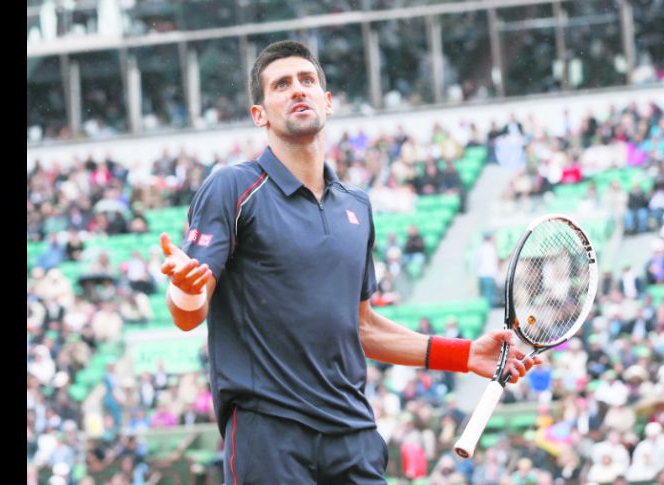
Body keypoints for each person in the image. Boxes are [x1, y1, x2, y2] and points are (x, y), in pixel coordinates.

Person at [159, 40, 540, 484]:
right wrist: (185, 289)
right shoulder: (231, 187)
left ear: (328, 101)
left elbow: (363, 327)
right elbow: (189, 313)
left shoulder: (355, 205)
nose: (297, 90)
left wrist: (467, 354)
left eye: (307, 81)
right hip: (269, 433)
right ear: (258, 114)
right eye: (281, 85)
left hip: (353, 433)